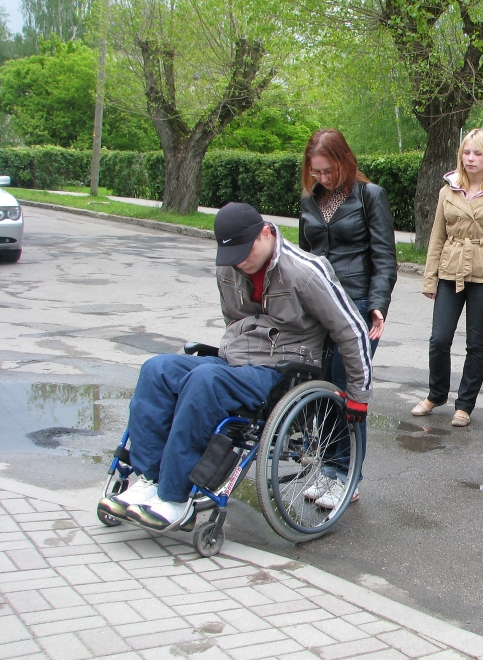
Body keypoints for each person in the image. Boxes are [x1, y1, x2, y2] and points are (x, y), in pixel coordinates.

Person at [98, 203, 373, 530]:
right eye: (232, 255)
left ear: (266, 233)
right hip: (236, 362)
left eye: (245, 251)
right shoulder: (229, 266)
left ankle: (174, 497)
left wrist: (358, 395)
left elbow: (351, 329)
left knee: (206, 379)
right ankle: (147, 480)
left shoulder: (305, 270)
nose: (239, 262)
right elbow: (234, 321)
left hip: (284, 370)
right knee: (157, 370)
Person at [299, 128, 397, 507]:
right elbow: (303, 258)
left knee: (348, 391)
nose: (322, 179)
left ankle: (346, 475)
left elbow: (384, 257)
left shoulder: (370, 196)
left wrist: (378, 303)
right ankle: (326, 469)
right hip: (318, 305)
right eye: (315, 172)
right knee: (321, 389)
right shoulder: (310, 199)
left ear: (344, 161)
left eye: (327, 171)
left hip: (356, 303)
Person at [414, 128, 483, 427]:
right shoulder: (448, 190)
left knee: (475, 343)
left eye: (477, 153)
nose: (471, 159)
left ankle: (465, 405)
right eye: (466, 152)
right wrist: (429, 279)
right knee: (439, 339)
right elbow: (436, 237)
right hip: (449, 270)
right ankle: (436, 394)